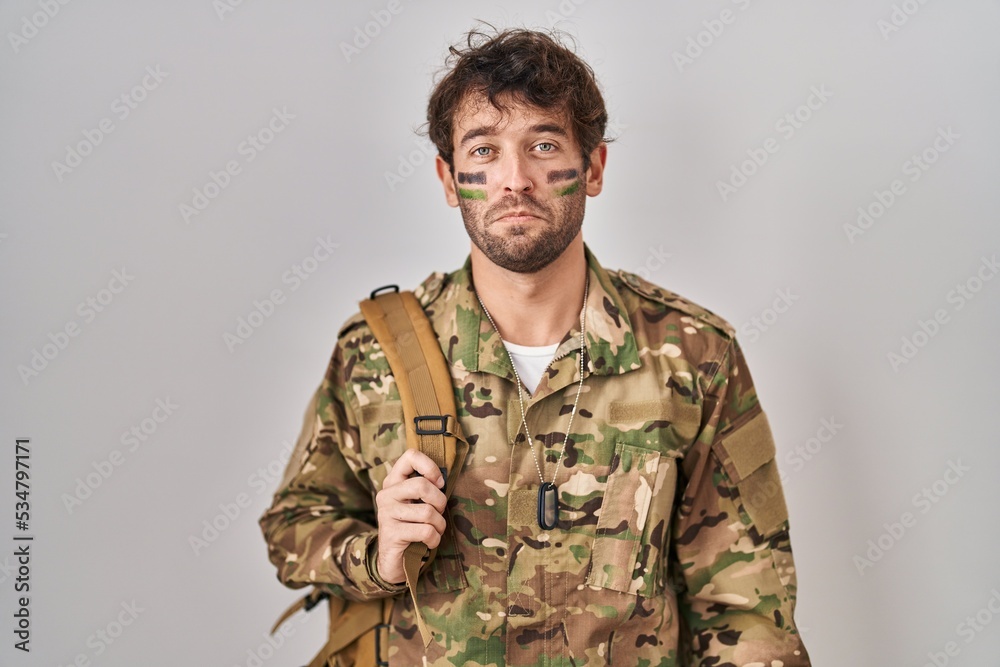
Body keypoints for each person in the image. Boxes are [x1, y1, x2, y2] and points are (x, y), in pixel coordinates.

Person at [259, 27, 811, 666]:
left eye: (543, 144)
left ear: (593, 168)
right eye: (485, 150)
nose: (514, 179)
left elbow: (746, 605)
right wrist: (375, 555)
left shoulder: (692, 355)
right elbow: (292, 527)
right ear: (448, 178)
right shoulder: (375, 355)